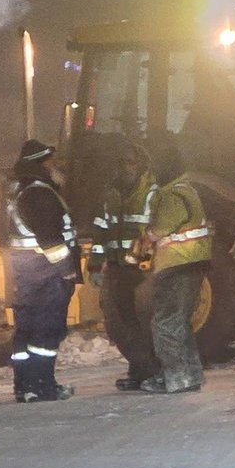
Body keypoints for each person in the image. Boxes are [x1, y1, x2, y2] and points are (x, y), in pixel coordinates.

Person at [0, 139, 81, 402]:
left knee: (27, 331)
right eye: (53, 163)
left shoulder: (17, 191)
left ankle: (25, 387)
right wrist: (67, 270)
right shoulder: (40, 194)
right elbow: (50, 240)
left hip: (26, 271)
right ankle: (44, 386)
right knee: (47, 331)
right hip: (47, 273)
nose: (58, 168)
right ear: (42, 165)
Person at [138, 142, 211, 394]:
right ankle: (189, 375)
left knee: (166, 323)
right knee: (179, 323)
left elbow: (159, 230)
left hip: (176, 265)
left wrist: (143, 239)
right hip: (189, 264)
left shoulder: (173, 195)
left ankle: (175, 377)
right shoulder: (186, 189)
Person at [87, 142, 160, 390]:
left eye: (130, 163)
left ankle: (154, 370)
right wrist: (95, 265)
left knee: (147, 320)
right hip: (117, 268)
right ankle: (138, 369)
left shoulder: (152, 193)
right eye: (121, 163)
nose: (125, 168)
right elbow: (101, 230)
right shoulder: (111, 194)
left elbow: (157, 230)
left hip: (144, 270)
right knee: (120, 323)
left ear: (140, 166)